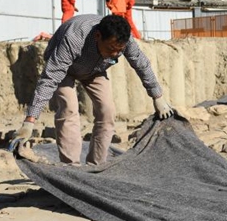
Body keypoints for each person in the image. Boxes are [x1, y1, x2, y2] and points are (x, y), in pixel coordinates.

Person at [12, 14, 174, 165]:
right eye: (111, 48)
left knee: (107, 110)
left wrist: (157, 96)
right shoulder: (73, 39)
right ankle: (72, 167)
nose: (115, 54)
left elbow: (141, 64)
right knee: (69, 108)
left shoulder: (124, 40)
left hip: (95, 68)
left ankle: (95, 165)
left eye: (119, 50)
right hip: (65, 70)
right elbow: (50, 79)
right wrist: (30, 121)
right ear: (98, 36)